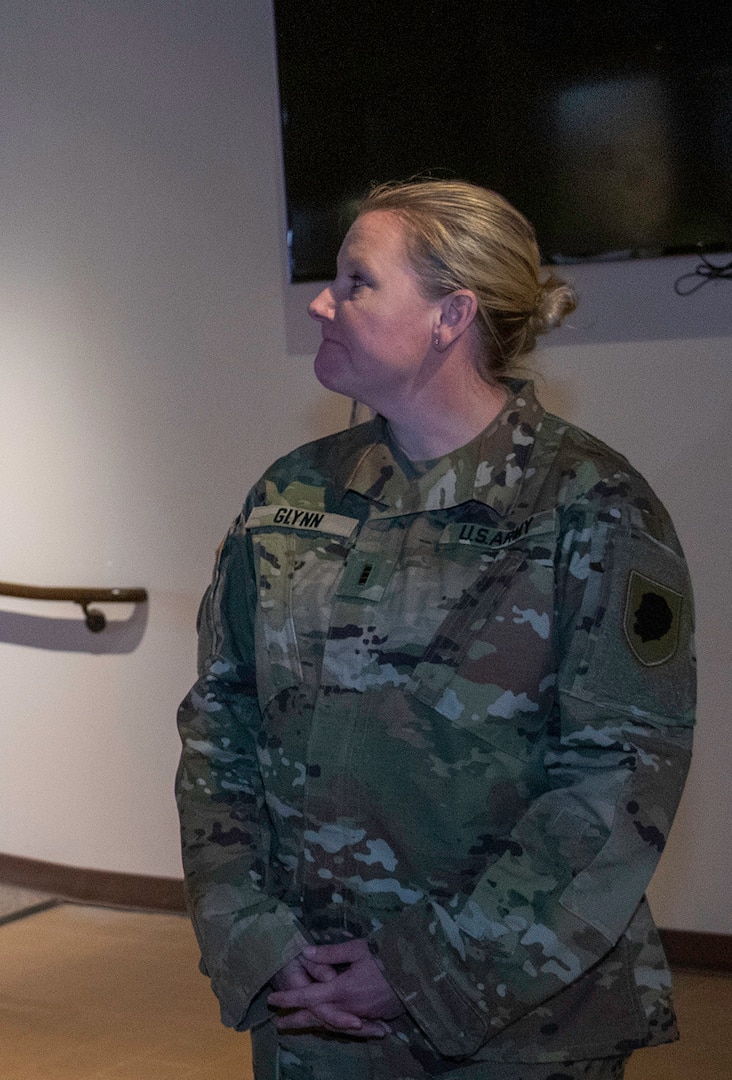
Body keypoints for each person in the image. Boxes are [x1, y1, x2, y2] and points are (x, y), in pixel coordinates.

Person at [175, 179, 694, 1079]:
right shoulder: (291, 495)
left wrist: (419, 971)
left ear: (451, 314)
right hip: (311, 1013)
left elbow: (617, 784)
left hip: (512, 1026)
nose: (321, 300)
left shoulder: (592, 507)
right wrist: (254, 935)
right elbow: (220, 726)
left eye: (357, 280)